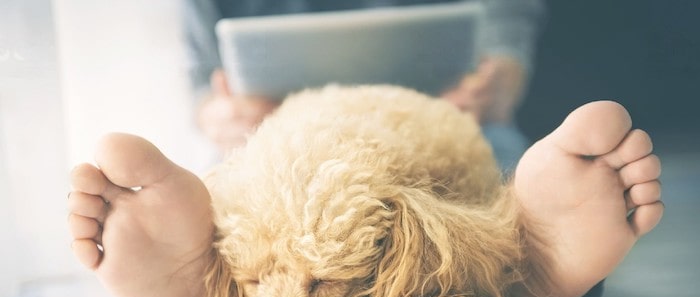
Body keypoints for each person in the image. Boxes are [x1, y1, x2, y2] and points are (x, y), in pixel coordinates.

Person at [66, 1, 664, 297]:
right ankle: (516, 272)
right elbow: (203, 75)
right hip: (287, 133)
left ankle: (524, 247)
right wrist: (217, 110)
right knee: (260, 206)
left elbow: (507, 18)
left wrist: (500, 77)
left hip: (448, 113)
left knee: (492, 156)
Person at [188, 0, 544, 171]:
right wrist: (219, 116)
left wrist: (498, 85)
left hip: (453, 122)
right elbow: (202, 78)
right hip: (280, 136)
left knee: (509, 189)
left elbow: (507, 28)